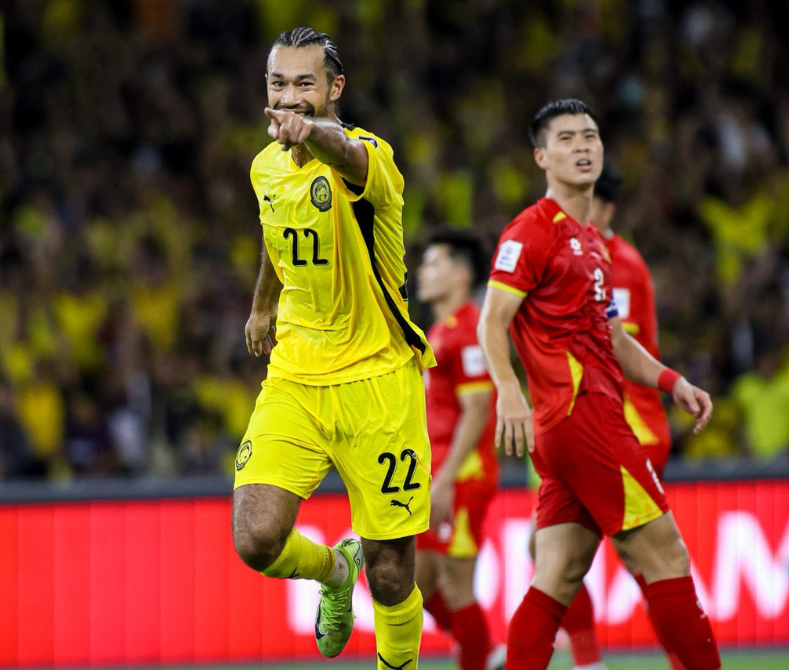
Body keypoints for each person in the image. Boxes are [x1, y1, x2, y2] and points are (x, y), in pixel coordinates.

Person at [476, 99, 722, 670]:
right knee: (668, 555)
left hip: (570, 429)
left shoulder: (593, 244)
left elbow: (611, 336)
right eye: (565, 139)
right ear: (541, 156)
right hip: (584, 416)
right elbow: (492, 320)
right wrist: (509, 392)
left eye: (590, 136)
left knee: (556, 576)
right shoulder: (531, 231)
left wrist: (670, 381)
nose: (582, 146)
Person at [231, 27, 437, 670]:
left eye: (304, 84)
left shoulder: (369, 156)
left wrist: (312, 135)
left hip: (377, 380)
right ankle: (332, 571)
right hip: (295, 374)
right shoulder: (266, 165)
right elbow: (277, 230)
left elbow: (346, 155)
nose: (289, 97)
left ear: (333, 89)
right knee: (256, 539)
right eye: (278, 84)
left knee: (394, 572)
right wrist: (264, 302)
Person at [544, 164, 687, 670]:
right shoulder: (602, 258)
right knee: (617, 562)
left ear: (602, 207)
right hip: (602, 427)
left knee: (647, 561)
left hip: (626, 427)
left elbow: (610, 344)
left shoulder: (615, 262)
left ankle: (591, 661)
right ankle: (595, 661)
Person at [414, 230, 505, 670]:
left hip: (462, 472)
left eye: (433, 264)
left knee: (456, 584)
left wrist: (446, 479)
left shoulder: (469, 329)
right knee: (419, 581)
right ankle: (483, 651)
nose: (422, 273)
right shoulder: (441, 329)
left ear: (461, 274)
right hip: (437, 470)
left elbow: (478, 409)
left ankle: (478, 655)